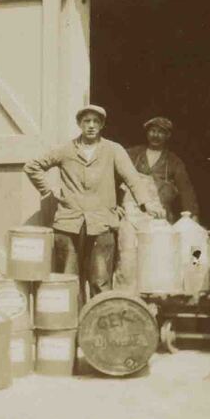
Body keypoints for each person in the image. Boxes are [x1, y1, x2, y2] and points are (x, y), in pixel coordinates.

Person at [23, 105, 163, 301]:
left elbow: (132, 178)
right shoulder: (65, 149)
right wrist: (48, 190)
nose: (91, 125)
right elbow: (32, 166)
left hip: (101, 223)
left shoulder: (113, 150)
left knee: (101, 281)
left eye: (96, 121)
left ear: (102, 125)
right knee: (69, 280)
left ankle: (99, 319)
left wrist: (146, 203)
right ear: (79, 124)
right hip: (69, 223)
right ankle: (73, 319)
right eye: (86, 121)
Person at [126, 116, 200, 223]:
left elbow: (186, 190)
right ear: (147, 133)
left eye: (160, 132)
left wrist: (193, 215)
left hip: (161, 215)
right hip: (132, 212)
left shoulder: (174, 161)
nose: (155, 135)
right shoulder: (133, 154)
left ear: (167, 135)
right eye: (152, 131)